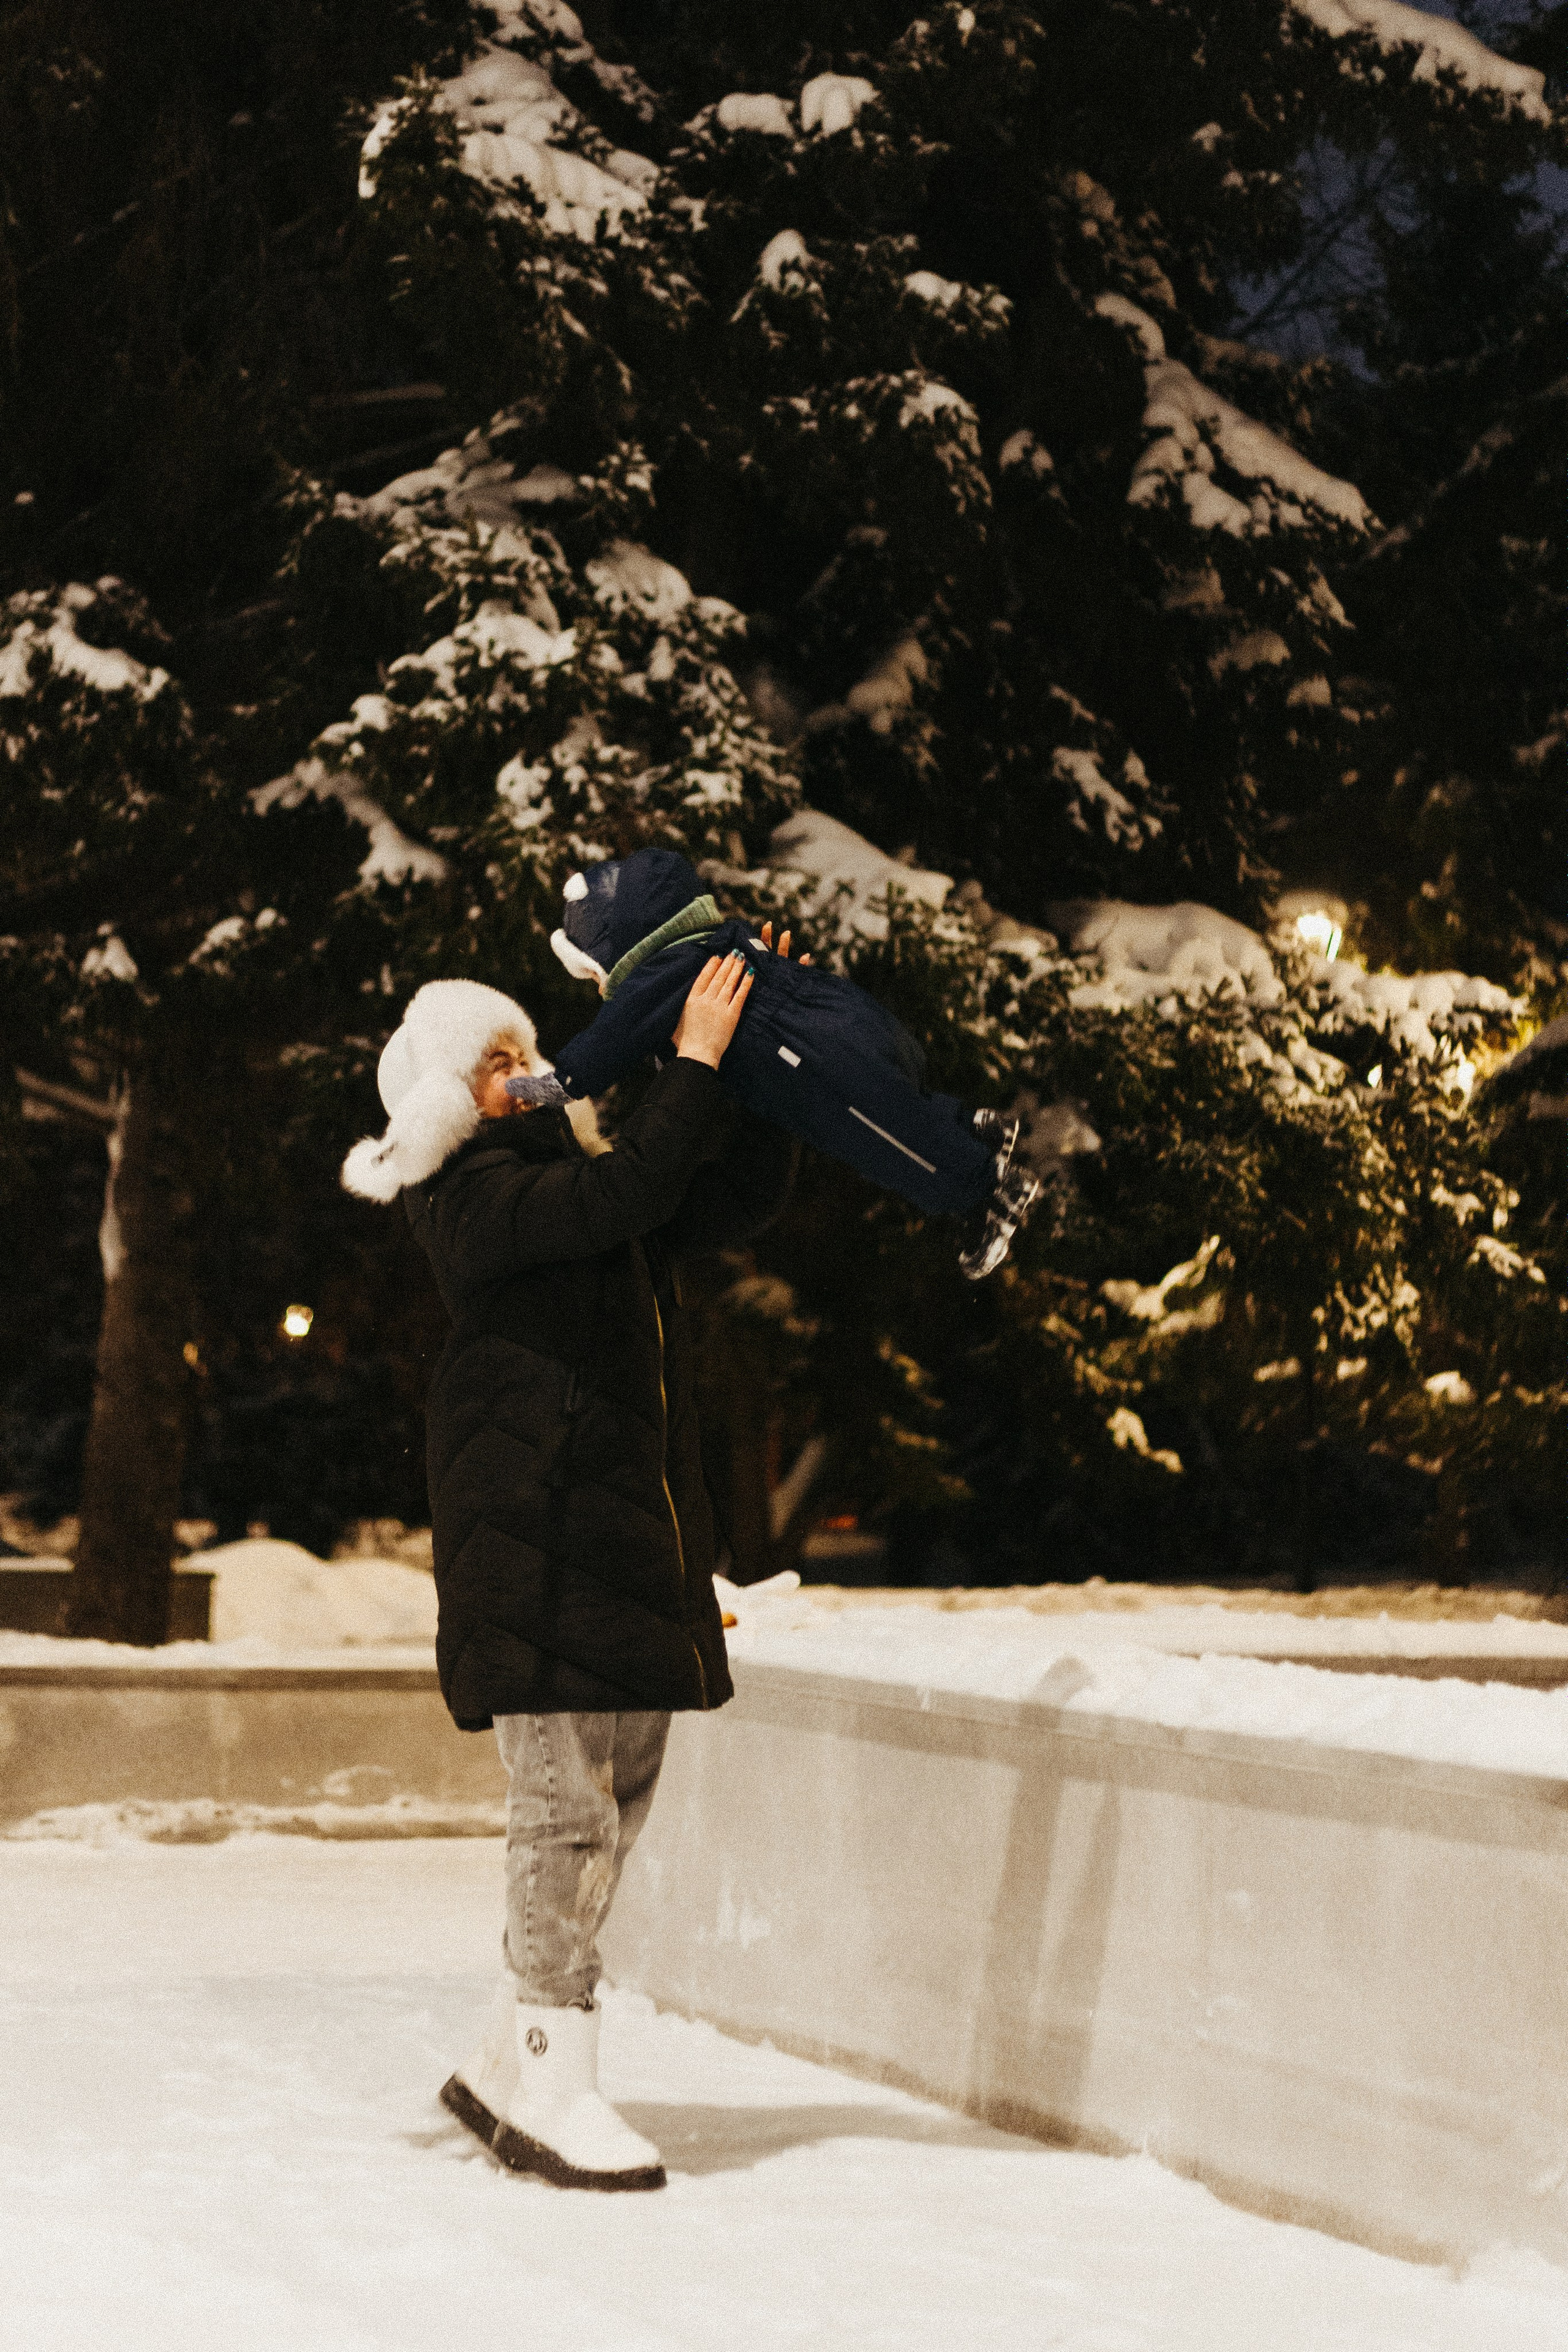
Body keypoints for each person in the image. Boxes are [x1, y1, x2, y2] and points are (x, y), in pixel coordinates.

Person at [341, 956, 793, 2192]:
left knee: (618, 1801)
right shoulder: (470, 1197)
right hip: (531, 1539)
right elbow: (631, 1187)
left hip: (619, 1542)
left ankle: (507, 2047)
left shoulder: (578, 1185)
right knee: (564, 1812)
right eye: (492, 1063)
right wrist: (691, 1061)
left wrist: (754, 1076)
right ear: (445, 1098)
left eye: (523, 1051)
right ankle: (551, 2068)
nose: (524, 1072)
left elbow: (723, 1194)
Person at [535, 846, 1041, 1278]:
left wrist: (554, 1084)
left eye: (596, 974)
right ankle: (976, 1129)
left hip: (807, 1057)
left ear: (621, 951)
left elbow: (609, 1040)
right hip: (836, 1018)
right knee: (900, 1103)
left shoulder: (662, 974)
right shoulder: (717, 939)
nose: (602, 991)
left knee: (886, 1139)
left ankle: (988, 1189)